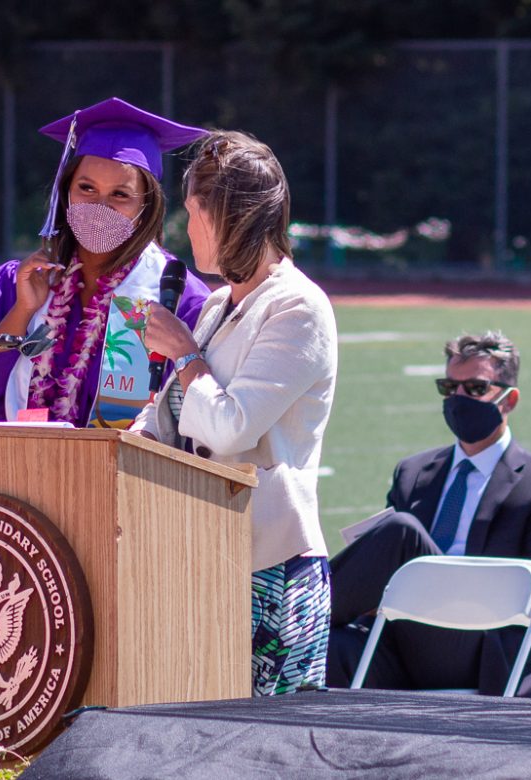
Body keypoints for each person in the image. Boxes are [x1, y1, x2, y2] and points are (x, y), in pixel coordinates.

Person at [132, 130, 338, 696]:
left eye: (197, 213)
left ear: (233, 218)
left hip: (269, 568)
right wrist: (114, 445)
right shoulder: (221, 304)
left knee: (270, 753)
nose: (188, 229)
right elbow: (169, 416)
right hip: (197, 556)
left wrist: (185, 353)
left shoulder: (299, 306)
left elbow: (231, 427)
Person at [0, 97, 211, 428]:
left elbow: (195, 423)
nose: (100, 207)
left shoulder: (174, 296)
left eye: (120, 195)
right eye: (86, 188)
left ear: (146, 206)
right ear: (65, 192)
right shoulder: (16, 284)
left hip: (121, 475)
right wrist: (22, 311)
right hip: (17, 469)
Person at [326, 331, 531, 697]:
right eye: (449, 387)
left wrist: (464, 584)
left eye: (475, 388)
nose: (459, 398)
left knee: (401, 530)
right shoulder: (413, 472)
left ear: (510, 400)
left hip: (479, 644)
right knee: (326, 644)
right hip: (404, 637)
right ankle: (297, 632)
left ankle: (291, 618)